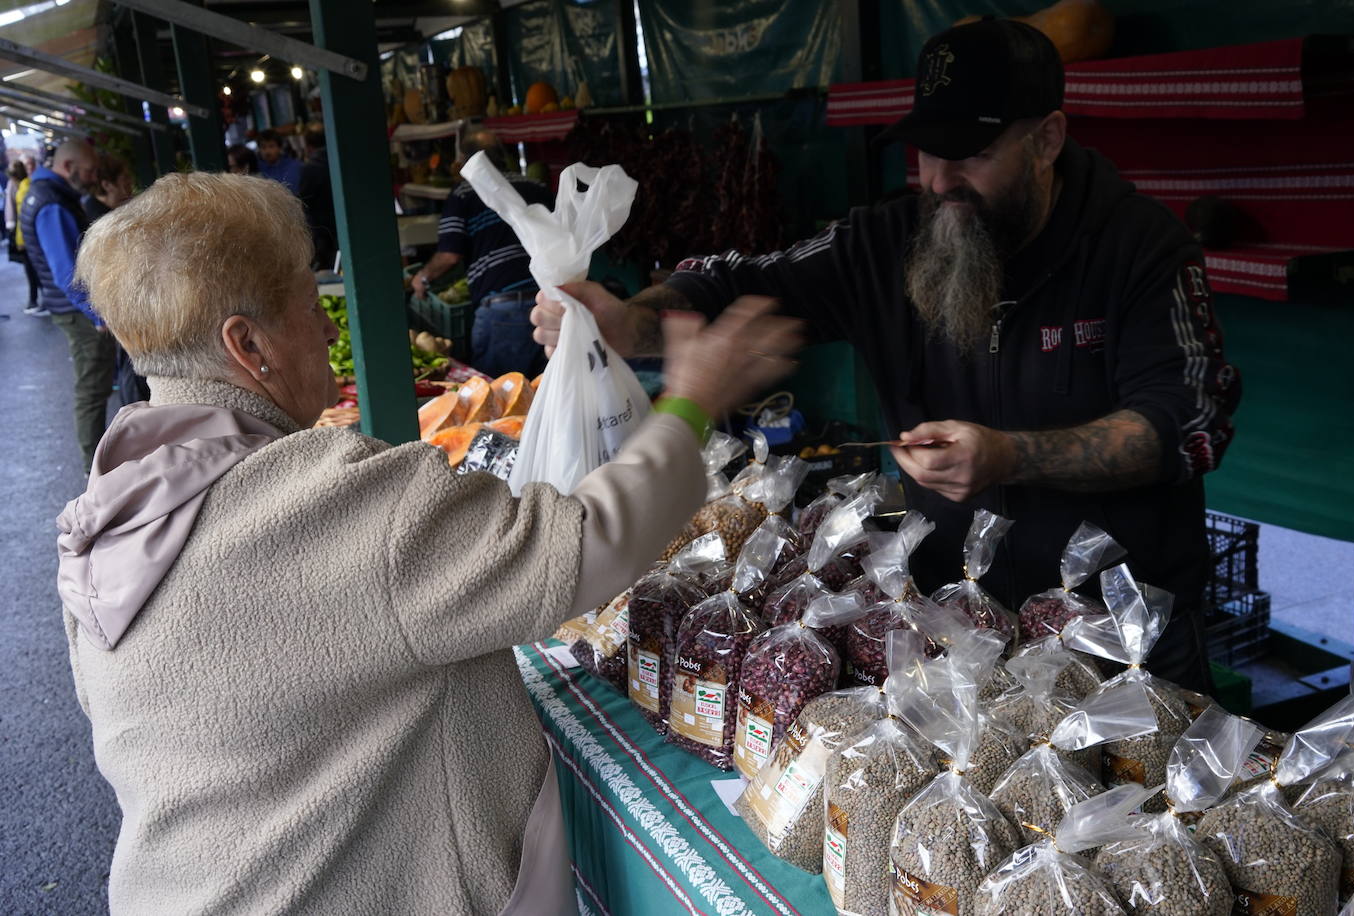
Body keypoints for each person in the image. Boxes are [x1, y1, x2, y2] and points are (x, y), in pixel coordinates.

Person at [57, 170, 800, 915]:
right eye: (310, 306)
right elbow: (582, 546)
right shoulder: (318, 496)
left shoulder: (105, 516)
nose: (326, 330)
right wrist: (691, 403)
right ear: (247, 345)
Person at [533, 19, 1241, 693]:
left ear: (1048, 139)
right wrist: (631, 324)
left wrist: (1011, 455)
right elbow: (741, 281)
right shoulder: (886, 243)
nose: (938, 180)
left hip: (1122, 639)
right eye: (928, 151)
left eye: (970, 153)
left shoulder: (1141, 248)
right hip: (953, 631)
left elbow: (1187, 423)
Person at [410, 128, 551, 378]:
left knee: (502, 401)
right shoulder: (536, 186)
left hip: (503, 313)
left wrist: (421, 279)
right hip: (549, 304)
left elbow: (449, 255)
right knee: (547, 394)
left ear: (465, 162)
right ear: (503, 157)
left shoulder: (464, 194)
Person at [21, 139, 115, 472]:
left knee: (94, 384)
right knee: (92, 386)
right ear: (68, 167)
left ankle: (98, 465)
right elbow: (67, 272)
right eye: (89, 171)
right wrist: (97, 313)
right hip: (77, 313)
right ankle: (96, 469)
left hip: (69, 308)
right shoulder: (52, 203)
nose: (93, 178)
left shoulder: (47, 194)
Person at [296, 122, 337, 270]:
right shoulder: (338, 161)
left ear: (308, 146)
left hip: (322, 231)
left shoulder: (310, 168)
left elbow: (304, 201)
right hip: (339, 225)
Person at [5, 159, 42, 315]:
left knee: (32, 269)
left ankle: (36, 301)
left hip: (25, 236)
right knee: (35, 268)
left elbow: (15, 215)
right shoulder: (30, 184)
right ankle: (41, 299)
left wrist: (17, 236)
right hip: (32, 235)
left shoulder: (18, 187)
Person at [80, 153, 134, 222]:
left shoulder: (94, 207)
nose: (130, 181)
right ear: (107, 185)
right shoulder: (105, 221)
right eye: (125, 178)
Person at [255, 128, 301, 193]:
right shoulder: (257, 168)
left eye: (271, 146)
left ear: (280, 148)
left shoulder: (294, 166)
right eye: (263, 147)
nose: (267, 151)